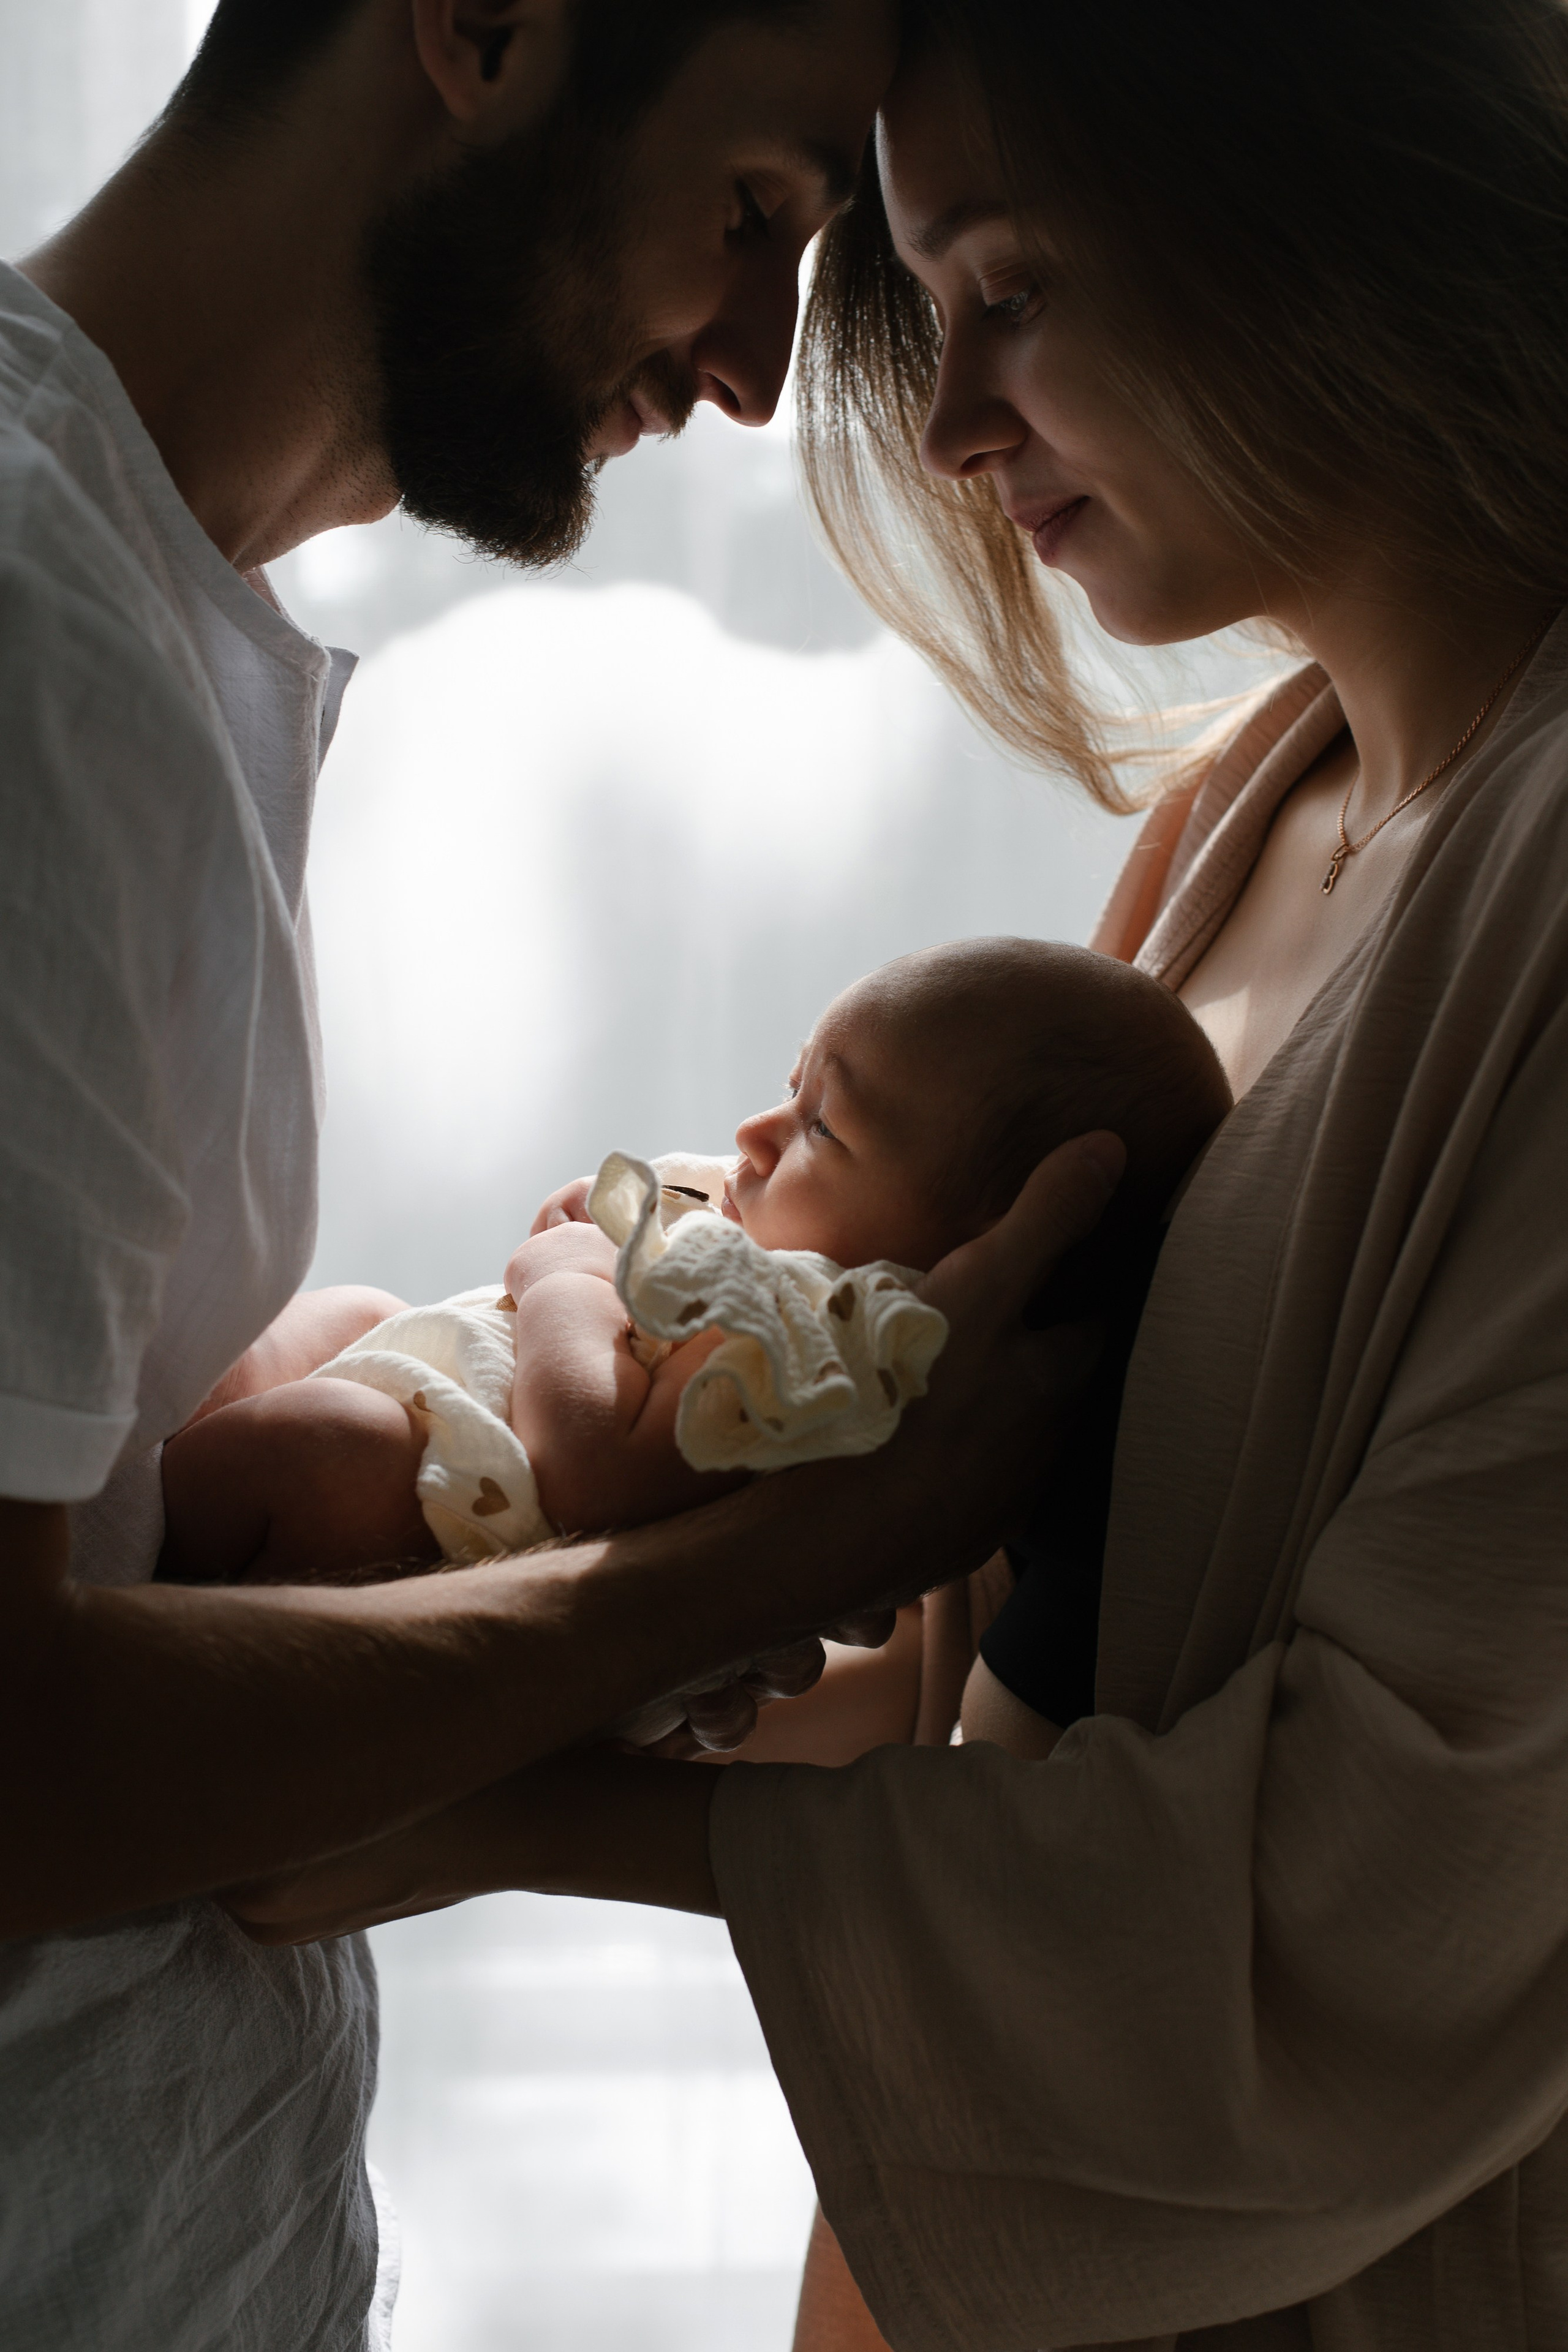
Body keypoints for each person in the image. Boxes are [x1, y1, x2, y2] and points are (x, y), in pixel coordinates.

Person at [231, 0, 1568, 2345]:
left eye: (1012, 290)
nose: (949, 427)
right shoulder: (1252, 811)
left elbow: (1394, 1887)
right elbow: (1033, 1662)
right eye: (930, 314)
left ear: (1331, 200)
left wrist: (505, 1814)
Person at [0, 1, 1128, 2343]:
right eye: (754, 217)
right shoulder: (38, 655)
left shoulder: (138, 623)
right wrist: (790, 1555)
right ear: (485, 28)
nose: (749, 372)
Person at [157, 940, 1227, 1585]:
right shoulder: (773, 1248)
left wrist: (567, 1280)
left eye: (824, 1128)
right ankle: (142, 1466)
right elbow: (644, 1215)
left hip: (461, 1521)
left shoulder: (806, 1355)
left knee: (320, 1442)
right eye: (792, 1085)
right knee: (348, 1312)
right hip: (460, 1413)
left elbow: (591, 1464)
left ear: (953, 1253)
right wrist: (604, 1226)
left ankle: (129, 1572)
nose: (758, 1132)